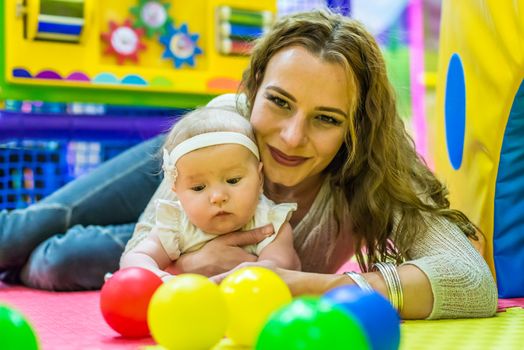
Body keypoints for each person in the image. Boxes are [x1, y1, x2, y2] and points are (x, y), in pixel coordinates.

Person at [0, 10, 497, 320]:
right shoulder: (226, 125)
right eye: (279, 102)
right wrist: (190, 262)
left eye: (326, 119)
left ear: (356, 128)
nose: (291, 137)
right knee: (42, 222)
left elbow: (471, 280)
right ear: (253, 90)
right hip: (191, 195)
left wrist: (314, 286)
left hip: (195, 249)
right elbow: (153, 236)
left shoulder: (380, 164)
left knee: (56, 261)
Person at [120, 106, 300, 281]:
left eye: (233, 180)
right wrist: (163, 279)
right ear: (176, 191)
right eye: (199, 188)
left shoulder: (271, 224)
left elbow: (278, 269)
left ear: (259, 178)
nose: (218, 197)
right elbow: (136, 258)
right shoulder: (176, 225)